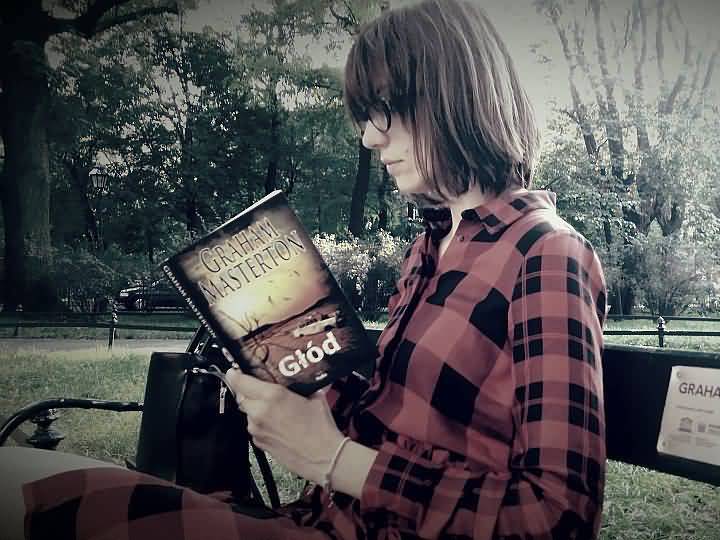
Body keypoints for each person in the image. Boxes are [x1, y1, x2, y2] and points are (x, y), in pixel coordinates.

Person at [0, 1, 608, 538]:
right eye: (362, 117)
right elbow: (385, 424)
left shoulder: (546, 255)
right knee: (21, 475)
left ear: (454, 96)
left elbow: (558, 516)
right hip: (315, 517)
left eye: (384, 111)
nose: (369, 138)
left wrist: (335, 461)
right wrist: (288, 378)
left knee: (31, 497)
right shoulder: (430, 249)